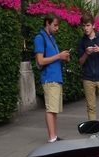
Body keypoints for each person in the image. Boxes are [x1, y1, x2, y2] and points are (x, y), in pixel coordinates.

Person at [34, 12, 71, 143]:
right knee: (51, 108)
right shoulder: (40, 38)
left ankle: (54, 136)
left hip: (55, 77)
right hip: (49, 78)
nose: (57, 28)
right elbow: (40, 61)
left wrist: (63, 58)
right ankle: (52, 137)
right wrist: (58, 56)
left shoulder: (51, 38)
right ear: (47, 23)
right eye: (55, 25)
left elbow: (52, 59)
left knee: (54, 109)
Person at [77, 12, 99, 126]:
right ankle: (93, 132)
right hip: (88, 78)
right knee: (91, 107)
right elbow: (80, 62)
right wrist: (86, 54)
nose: (85, 28)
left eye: (88, 25)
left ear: (93, 26)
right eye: (84, 26)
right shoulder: (82, 41)